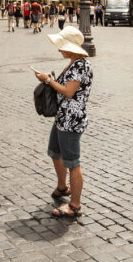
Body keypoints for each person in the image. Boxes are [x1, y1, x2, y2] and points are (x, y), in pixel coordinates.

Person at [34, 25, 93, 220]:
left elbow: (68, 92)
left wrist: (48, 81)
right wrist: (49, 79)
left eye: (62, 45)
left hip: (70, 120)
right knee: (54, 151)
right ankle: (62, 187)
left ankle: (75, 206)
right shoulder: (72, 63)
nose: (59, 49)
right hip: (62, 117)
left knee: (73, 162)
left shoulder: (80, 66)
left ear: (71, 48)